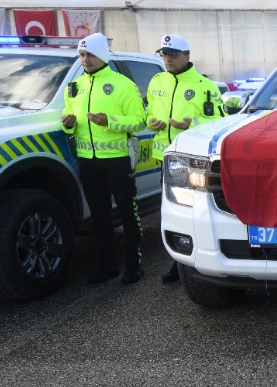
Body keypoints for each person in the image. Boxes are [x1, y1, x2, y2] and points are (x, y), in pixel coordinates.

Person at [60, 33, 147, 284]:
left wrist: (110, 121)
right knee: (99, 216)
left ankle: (134, 265)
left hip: (117, 160)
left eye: (90, 55)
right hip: (88, 160)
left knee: (128, 214)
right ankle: (107, 265)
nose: (85, 60)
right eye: (82, 55)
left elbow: (139, 121)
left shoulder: (122, 85)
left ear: (103, 55)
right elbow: (69, 117)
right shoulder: (74, 86)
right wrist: (68, 124)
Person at [146, 34, 225, 283]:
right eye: (164, 54)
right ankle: (177, 259)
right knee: (169, 211)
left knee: (188, 210)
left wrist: (192, 123)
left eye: (173, 54)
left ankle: (186, 263)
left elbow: (221, 123)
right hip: (164, 157)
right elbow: (149, 112)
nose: (167, 59)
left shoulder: (204, 86)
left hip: (190, 161)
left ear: (187, 56)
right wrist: (152, 121)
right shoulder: (157, 81)